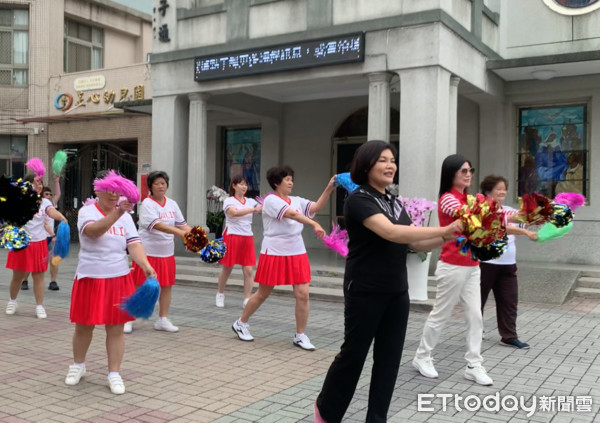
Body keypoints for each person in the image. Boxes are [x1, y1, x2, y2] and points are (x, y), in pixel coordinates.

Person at [314, 141, 462, 423]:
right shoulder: (359, 199)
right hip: (365, 290)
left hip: (397, 292)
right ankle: (327, 411)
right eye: (383, 160)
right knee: (353, 356)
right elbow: (392, 233)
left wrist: (448, 236)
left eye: (392, 160)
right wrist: (444, 228)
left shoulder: (394, 202)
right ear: (367, 165)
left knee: (389, 360)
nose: (390, 165)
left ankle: (377, 418)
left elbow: (413, 244)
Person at [413, 154, 510, 386]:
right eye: (463, 171)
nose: (468, 174)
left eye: (470, 170)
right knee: (441, 314)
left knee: (475, 317)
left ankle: (474, 364)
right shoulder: (448, 199)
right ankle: (422, 356)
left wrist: (530, 217)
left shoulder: (472, 198)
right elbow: (471, 217)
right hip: (452, 266)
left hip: (472, 266)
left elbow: (496, 214)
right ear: (451, 173)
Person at [65, 171, 156, 394]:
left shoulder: (125, 216)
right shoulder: (87, 211)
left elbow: (133, 244)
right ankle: (78, 365)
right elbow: (94, 232)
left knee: (115, 328)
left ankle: (114, 373)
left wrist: (145, 266)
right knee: (84, 326)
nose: (114, 195)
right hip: (90, 277)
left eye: (118, 191)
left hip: (118, 277)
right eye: (109, 190)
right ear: (97, 189)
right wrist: (118, 212)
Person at [232, 165, 334, 350]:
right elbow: (292, 214)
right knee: (263, 293)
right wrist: (314, 224)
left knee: (303, 294)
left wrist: (329, 187)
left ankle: (300, 335)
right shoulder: (271, 200)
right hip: (275, 251)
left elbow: (316, 207)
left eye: (291, 179)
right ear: (276, 183)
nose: (291, 182)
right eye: (287, 179)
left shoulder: (296, 200)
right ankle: (241, 323)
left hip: (297, 251)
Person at [129, 170, 191, 333]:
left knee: (167, 286)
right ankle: (128, 318)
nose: (160, 186)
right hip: (147, 253)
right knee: (138, 285)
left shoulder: (172, 204)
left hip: (166, 254)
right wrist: (179, 233)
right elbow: (157, 225)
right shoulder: (147, 204)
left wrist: (196, 236)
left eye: (163, 183)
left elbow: (182, 224)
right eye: (156, 183)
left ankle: (162, 319)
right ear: (151, 186)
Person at [480, 175, 537, 349]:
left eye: (504, 188)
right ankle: (474, 330)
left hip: (508, 264)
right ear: (488, 191)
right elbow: (501, 225)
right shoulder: (482, 210)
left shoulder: (509, 209)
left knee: (509, 301)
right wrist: (525, 233)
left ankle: (509, 336)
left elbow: (521, 220)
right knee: (477, 300)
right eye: (498, 188)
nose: (503, 191)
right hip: (486, 262)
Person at [5, 173, 67, 318]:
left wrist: (62, 218)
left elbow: (51, 213)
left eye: (40, 183)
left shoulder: (45, 203)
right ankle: (12, 301)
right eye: (35, 183)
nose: (39, 186)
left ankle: (39, 306)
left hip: (39, 243)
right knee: (17, 275)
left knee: (38, 276)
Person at [216, 175, 262, 308]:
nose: (244, 187)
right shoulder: (229, 201)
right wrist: (254, 209)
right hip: (232, 236)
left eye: (245, 185)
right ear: (234, 186)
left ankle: (247, 299)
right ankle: (220, 293)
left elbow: (263, 207)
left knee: (248, 270)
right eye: (241, 184)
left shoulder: (250, 201)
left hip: (247, 237)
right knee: (227, 268)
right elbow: (233, 213)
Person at [21, 176, 62, 291]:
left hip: (50, 237)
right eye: (47, 194)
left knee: (54, 259)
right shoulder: (38, 203)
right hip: (40, 238)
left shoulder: (50, 203)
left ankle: (53, 281)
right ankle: (24, 280)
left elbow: (58, 194)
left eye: (50, 194)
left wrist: (56, 181)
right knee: (31, 262)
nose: (49, 195)